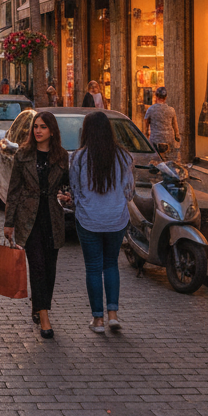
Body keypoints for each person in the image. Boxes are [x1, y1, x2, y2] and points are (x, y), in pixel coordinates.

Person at [3, 112, 70, 338]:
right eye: (35, 127)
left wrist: (66, 195)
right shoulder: (23, 154)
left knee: (50, 269)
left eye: (43, 127)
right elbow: (13, 191)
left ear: (52, 131)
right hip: (28, 218)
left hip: (52, 218)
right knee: (38, 267)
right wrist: (9, 222)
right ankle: (44, 318)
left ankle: (38, 305)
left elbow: (67, 185)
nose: (38, 131)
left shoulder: (61, 156)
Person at [69, 110, 136, 332]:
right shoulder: (124, 156)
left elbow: (75, 189)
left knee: (93, 268)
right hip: (116, 219)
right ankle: (113, 315)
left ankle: (98, 320)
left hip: (88, 219)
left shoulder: (79, 157)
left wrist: (81, 204)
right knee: (111, 264)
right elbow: (129, 191)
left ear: (86, 131)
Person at [143, 86, 180, 159]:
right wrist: (177, 136)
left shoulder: (151, 109)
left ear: (156, 97)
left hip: (155, 140)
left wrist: (146, 134)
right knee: (169, 160)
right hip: (169, 140)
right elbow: (175, 126)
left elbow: (146, 124)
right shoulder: (171, 110)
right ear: (165, 97)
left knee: (154, 160)